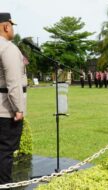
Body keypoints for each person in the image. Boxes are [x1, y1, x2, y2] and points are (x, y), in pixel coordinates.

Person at [0, 13, 27, 184]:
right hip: (5, 110)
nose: (13, 29)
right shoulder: (8, 48)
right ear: (5, 27)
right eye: (12, 25)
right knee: (5, 151)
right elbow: (13, 82)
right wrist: (18, 108)